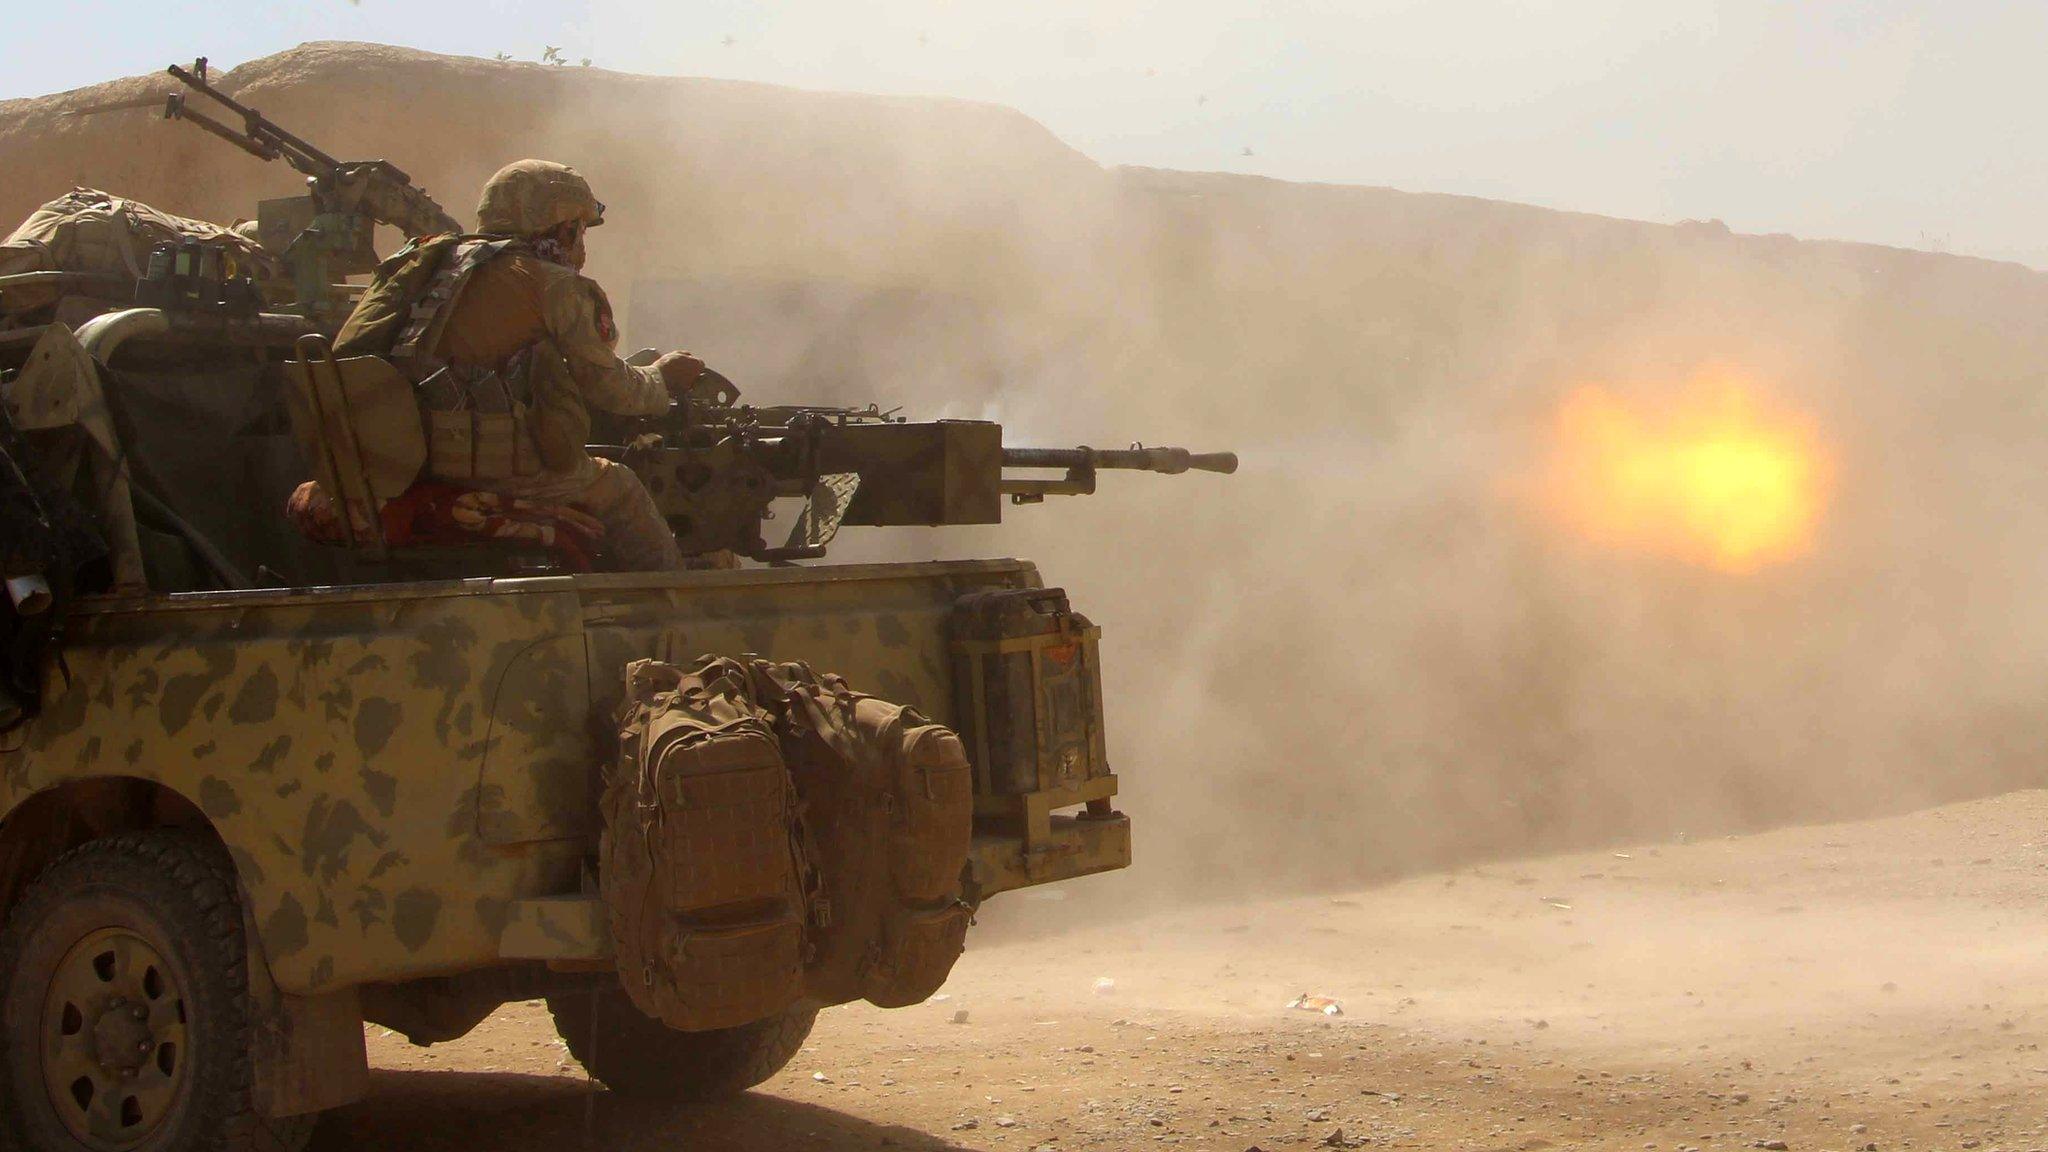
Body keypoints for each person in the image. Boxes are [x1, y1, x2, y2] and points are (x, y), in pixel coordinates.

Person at [333, 159, 707, 571]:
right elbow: (612, 390)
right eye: (580, 229)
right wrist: (661, 378)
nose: (581, 243)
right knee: (622, 487)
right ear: (564, 227)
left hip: (401, 465)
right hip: (489, 474)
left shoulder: (427, 261)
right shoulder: (552, 283)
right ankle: (674, 607)